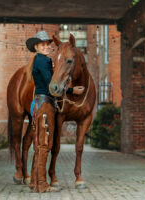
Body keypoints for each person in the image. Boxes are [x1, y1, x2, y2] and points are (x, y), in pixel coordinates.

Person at [25, 31, 84, 192]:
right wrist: (72, 90)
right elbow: (52, 86)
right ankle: (42, 185)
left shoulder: (39, 61)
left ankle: (34, 183)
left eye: (47, 45)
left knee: (39, 144)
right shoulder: (43, 61)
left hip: (41, 103)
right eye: (42, 45)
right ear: (36, 47)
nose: (46, 47)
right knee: (45, 144)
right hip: (45, 104)